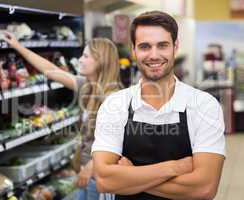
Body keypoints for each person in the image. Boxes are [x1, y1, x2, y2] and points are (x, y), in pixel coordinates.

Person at [92, 11, 225, 200]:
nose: (154, 55)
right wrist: (175, 168)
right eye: (145, 46)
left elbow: (204, 188)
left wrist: (131, 177)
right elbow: (105, 181)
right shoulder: (116, 104)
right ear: (133, 50)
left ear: (175, 46)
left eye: (162, 45)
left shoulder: (204, 105)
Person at [3, 33, 122, 200]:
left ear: (100, 61)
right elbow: (50, 71)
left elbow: (115, 141)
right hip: (85, 173)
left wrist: (90, 167)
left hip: (99, 176)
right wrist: (18, 46)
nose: (80, 59)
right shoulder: (86, 87)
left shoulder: (112, 98)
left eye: (85, 56)